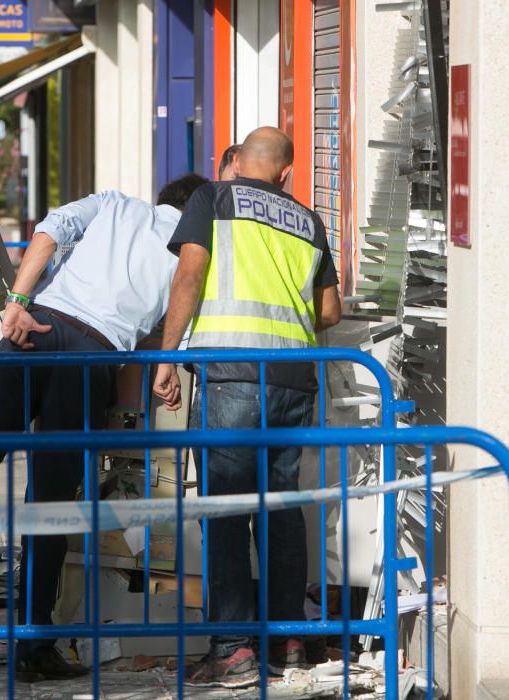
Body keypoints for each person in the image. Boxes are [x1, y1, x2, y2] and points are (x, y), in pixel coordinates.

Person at [0, 174, 208, 682]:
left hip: (35, 329)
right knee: (50, 500)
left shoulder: (114, 204)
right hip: (92, 355)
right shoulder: (189, 256)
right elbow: (157, 344)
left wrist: (18, 302)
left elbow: (50, 229)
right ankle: (32, 640)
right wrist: (126, 421)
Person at [152, 127, 341, 688]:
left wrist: (166, 358)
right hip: (293, 380)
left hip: (231, 374)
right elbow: (328, 311)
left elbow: (189, 273)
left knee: (227, 513)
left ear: (239, 163)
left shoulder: (213, 197)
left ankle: (233, 651)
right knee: (281, 510)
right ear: (286, 172)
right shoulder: (309, 220)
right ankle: (286, 642)